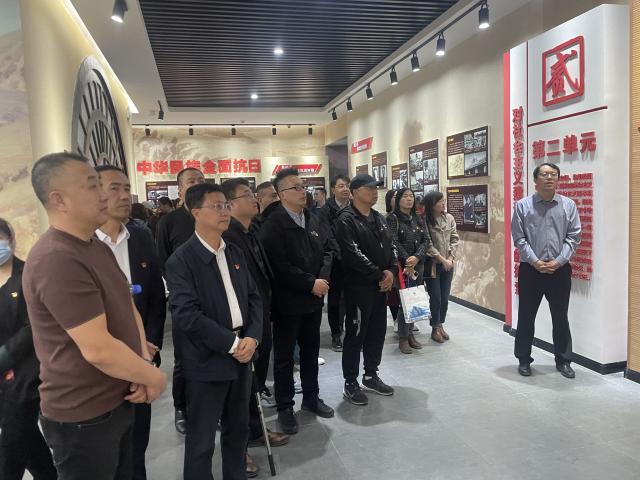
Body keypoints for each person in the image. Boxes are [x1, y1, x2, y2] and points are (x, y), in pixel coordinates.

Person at [22, 152, 167, 480]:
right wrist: (153, 377)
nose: (103, 196)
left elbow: (128, 306)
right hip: (84, 415)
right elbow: (98, 348)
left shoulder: (93, 246)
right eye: (92, 186)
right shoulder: (57, 258)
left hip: (118, 397)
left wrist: (141, 362)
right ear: (59, 200)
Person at [165, 183, 262, 480]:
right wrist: (233, 344)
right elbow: (187, 315)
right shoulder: (181, 260)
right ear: (196, 212)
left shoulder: (233, 251)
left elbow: (254, 298)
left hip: (243, 352)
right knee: (202, 439)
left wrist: (252, 337)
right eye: (216, 206)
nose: (224, 212)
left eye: (226, 205)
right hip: (207, 359)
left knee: (238, 430)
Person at [95, 165, 167, 480]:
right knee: (105, 458)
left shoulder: (140, 236)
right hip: (100, 368)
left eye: (126, 188)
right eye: (114, 188)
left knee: (137, 449)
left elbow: (155, 298)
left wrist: (148, 350)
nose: (124, 195)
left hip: (142, 359)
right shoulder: (82, 243)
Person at [221, 179, 290, 478]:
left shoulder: (252, 230)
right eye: (247, 195)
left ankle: (255, 430)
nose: (254, 199)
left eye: (253, 194)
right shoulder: (227, 237)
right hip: (242, 323)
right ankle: (240, 449)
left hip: (260, 316)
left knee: (254, 382)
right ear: (230, 204)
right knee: (238, 390)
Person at [259, 168, 335, 434]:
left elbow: (328, 250)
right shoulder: (273, 225)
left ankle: (312, 398)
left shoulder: (312, 218)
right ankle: (285, 408)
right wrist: (309, 283)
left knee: (311, 353)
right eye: (296, 188)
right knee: (284, 359)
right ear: (281, 194)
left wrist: (322, 279)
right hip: (288, 303)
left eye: (304, 187)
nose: (303, 192)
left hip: (314, 299)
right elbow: (278, 266)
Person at [511, 162, 581, 378]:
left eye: (553, 174)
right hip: (531, 270)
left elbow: (573, 236)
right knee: (526, 316)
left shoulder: (568, 205)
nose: (549, 177)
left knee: (560, 317)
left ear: (558, 179)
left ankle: (564, 360)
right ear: (536, 180)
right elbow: (519, 238)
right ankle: (524, 360)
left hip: (559, 271)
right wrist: (535, 261)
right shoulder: (523, 206)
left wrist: (559, 261)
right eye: (544, 174)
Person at [0, 218, 57, 480]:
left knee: (11, 447)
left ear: (10, 239)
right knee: (29, 442)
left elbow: (33, 324)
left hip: (24, 372)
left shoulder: (27, 275)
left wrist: (5, 356)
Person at [337, 174, 397, 406]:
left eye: (376, 188)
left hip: (380, 287)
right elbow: (353, 254)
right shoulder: (346, 220)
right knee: (355, 334)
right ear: (355, 192)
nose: (374, 192)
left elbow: (391, 245)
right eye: (369, 188)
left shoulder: (378, 217)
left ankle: (371, 374)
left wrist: (391, 270)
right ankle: (350, 382)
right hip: (359, 288)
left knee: (377, 332)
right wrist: (380, 274)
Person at [155, 167, 205, 434]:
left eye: (201, 180)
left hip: (215, 300)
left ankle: (211, 407)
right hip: (184, 301)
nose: (197, 184)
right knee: (184, 358)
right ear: (180, 189)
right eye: (191, 181)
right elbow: (163, 262)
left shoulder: (213, 215)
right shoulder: (169, 222)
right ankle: (181, 407)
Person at [386, 188, 432, 354]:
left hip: (418, 265)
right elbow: (393, 241)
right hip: (402, 267)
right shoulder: (392, 218)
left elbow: (426, 240)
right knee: (404, 302)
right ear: (398, 199)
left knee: (415, 300)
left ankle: (411, 333)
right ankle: (403, 338)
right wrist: (407, 259)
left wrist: (417, 257)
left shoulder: (418, 217)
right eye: (405, 196)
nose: (409, 199)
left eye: (411, 196)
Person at [318, 174, 351, 351]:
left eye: (347, 185)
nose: (345, 189)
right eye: (341, 186)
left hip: (354, 262)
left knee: (352, 298)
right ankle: (336, 333)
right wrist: (344, 253)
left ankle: (352, 331)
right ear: (333, 189)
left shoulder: (353, 207)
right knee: (336, 300)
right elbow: (327, 237)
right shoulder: (326, 210)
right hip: (336, 262)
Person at [423, 190, 459, 344]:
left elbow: (455, 239)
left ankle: (440, 324)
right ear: (432, 204)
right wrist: (442, 260)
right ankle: (434, 328)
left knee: (445, 298)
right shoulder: (424, 220)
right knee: (436, 298)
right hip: (433, 265)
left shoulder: (449, 218)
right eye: (440, 201)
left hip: (448, 265)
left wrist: (450, 258)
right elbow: (427, 244)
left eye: (443, 201)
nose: (443, 203)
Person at [384, 189, 401, 332]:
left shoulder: (411, 217)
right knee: (394, 293)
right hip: (395, 261)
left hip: (411, 262)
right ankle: (396, 319)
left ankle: (408, 319)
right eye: (395, 196)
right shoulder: (387, 218)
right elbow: (391, 241)